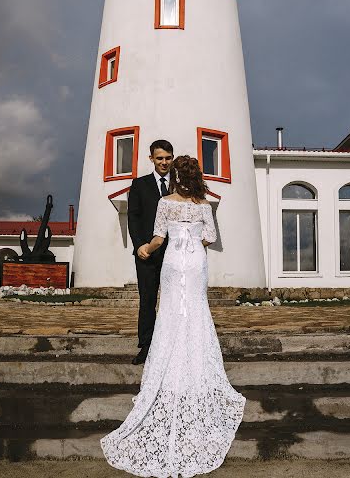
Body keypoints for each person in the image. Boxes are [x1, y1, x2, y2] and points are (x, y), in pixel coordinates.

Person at [101, 155, 246, 477]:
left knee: (170, 311)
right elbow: (210, 238)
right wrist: (194, 234)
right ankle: (194, 357)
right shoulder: (204, 205)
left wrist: (145, 250)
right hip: (195, 263)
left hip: (173, 262)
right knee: (195, 308)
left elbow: (158, 238)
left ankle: (169, 356)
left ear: (177, 175)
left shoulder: (165, 202)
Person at [128, 140, 174, 365]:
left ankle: (173, 346)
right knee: (147, 300)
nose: (164, 162)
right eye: (159, 158)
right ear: (151, 159)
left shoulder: (179, 185)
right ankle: (146, 346)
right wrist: (139, 246)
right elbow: (133, 218)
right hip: (146, 255)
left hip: (174, 256)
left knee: (173, 301)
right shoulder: (139, 185)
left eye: (167, 158)